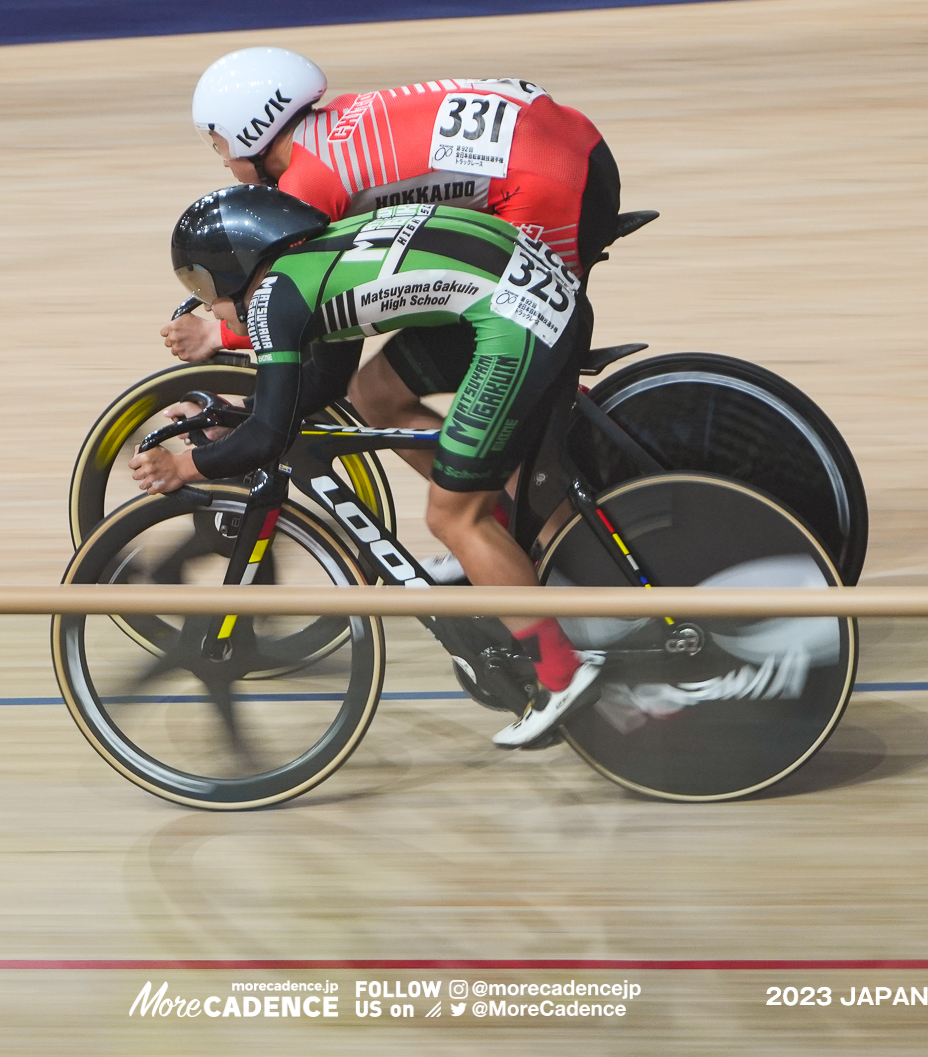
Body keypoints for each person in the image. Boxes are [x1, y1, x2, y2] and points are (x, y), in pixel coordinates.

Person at [130, 186, 602, 748]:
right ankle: (507, 548)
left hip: (518, 323)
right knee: (372, 393)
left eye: (206, 288)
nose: (208, 306)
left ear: (240, 269)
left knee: (453, 517)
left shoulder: (274, 298)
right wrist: (238, 417)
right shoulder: (314, 256)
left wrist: (184, 468)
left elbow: (268, 436)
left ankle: (562, 673)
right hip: (536, 293)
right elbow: (322, 385)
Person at [167, 48, 621, 486]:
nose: (224, 160)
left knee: (510, 350)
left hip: (549, 188)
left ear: (253, 132)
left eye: (219, 143)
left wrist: (219, 335)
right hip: (568, 141)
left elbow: (308, 323)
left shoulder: (309, 186)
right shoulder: (327, 130)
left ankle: (517, 510)